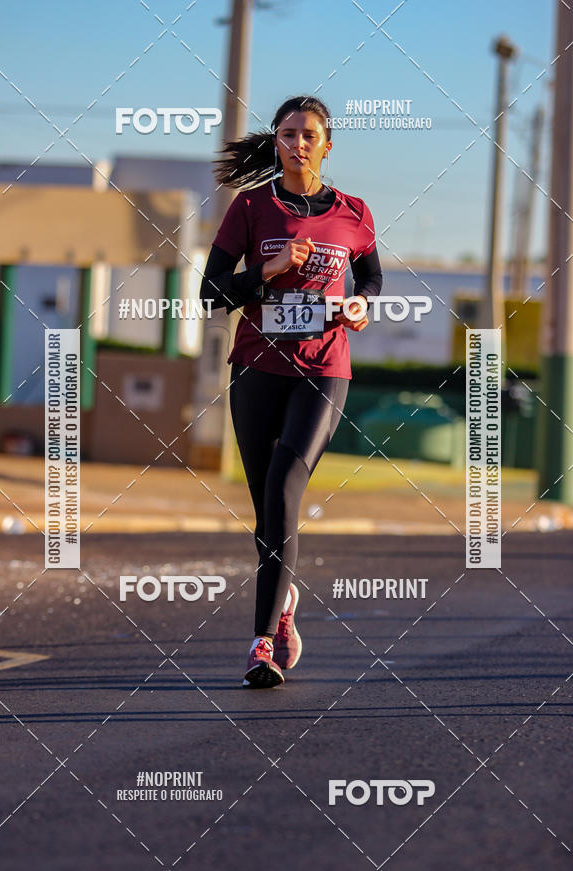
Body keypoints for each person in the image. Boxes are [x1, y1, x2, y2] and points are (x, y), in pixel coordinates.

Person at [200, 95, 382, 688]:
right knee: (267, 510)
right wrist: (267, 271)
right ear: (275, 141)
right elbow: (210, 293)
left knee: (284, 484)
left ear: (328, 144)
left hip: (324, 369)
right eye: (287, 134)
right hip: (256, 367)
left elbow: (372, 276)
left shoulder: (354, 212)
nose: (298, 143)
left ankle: (262, 646)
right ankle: (285, 605)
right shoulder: (250, 207)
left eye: (309, 135)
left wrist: (362, 303)